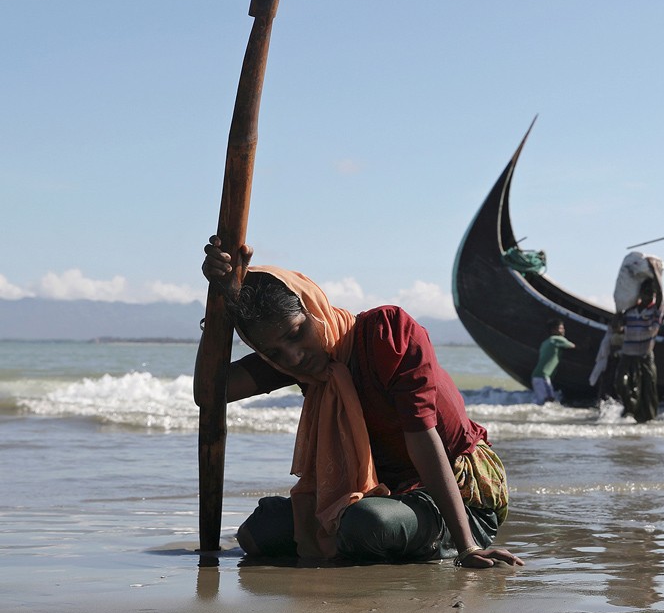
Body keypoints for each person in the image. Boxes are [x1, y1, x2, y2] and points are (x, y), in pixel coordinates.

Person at [196, 236, 523, 569]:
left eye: (296, 333)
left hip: (454, 497)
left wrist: (468, 547)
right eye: (274, 352)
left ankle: (444, 540)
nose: (293, 357)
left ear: (314, 308)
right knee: (258, 531)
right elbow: (208, 393)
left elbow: (423, 438)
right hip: (378, 495)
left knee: (367, 525)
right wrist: (220, 302)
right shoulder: (303, 365)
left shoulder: (388, 334)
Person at [615, 278, 664, 423]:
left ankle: (646, 421)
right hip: (627, 356)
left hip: (645, 356)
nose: (648, 296)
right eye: (645, 293)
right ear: (639, 294)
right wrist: (618, 316)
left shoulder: (655, 311)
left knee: (648, 392)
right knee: (621, 383)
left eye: (651, 294)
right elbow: (617, 328)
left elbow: (660, 299)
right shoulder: (630, 312)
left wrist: (656, 272)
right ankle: (630, 408)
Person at [531, 318, 574, 404]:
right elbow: (572, 346)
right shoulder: (558, 339)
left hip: (539, 376)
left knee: (548, 401)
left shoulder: (545, 342)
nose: (563, 330)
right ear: (554, 330)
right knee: (547, 402)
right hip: (542, 377)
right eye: (561, 328)